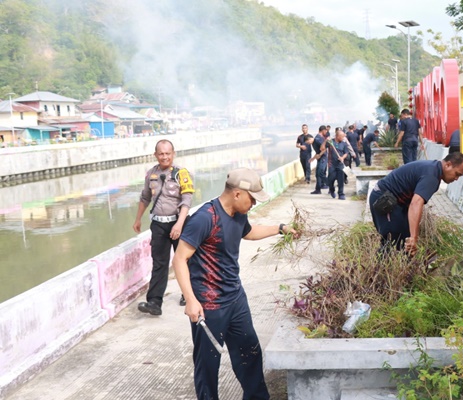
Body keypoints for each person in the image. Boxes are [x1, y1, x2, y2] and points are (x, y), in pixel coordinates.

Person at [173, 168, 299, 400]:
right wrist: (190, 300)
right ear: (238, 194)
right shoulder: (204, 218)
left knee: (250, 354)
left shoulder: (239, 214)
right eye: (252, 198)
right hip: (209, 305)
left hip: (235, 298)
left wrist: (280, 229)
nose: (254, 204)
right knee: (207, 366)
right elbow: (180, 259)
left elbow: (248, 232)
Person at [133, 139, 194, 315]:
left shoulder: (181, 173)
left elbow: (187, 200)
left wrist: (180, 224)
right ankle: (154, 302)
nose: (164, 157)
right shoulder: (151, 174)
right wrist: (138, 219)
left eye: (168, 153)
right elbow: (145, 198)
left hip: (179, 223)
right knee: (159, 263)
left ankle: (188, 294)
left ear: (173, 154)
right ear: (155, 155)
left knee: (184, 260)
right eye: (161, 153)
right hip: (159, 224)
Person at [369, 152, 463, 255]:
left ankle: (404, 266)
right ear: (448, 165)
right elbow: (416, 203)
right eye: (457, 174)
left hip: (398, 203)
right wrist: (414, 237)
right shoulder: (432, 176)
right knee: (393, 240)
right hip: (384, 199)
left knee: (404, 238)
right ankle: (383, 268)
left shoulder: (434, 170)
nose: (457, 179)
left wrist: (411, 235)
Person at [327, 128, 351, 200]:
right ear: (337, 136)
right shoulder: (331, 142)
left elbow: (346, 152)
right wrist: (325, 141)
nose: (343, 138)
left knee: (341, 179)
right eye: (342, 136)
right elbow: (322, 148)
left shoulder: (343, 143)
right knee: (331, 179)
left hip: (340, 164)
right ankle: (331, 190)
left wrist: (342, 157)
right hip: (332, 164)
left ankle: (341, 194)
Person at [310, 125, 329, 194]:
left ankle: (328, 184)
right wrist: (314, 158)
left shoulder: (320, 138)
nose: (326, 132)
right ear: (323, 130)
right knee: (319, 174)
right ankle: (320, 187)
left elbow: (323, 149)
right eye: (326, 131)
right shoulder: (319, 139)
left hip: (323, 158)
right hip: (322, 158)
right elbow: (321, 149)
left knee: (320, 173)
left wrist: (319, 155)